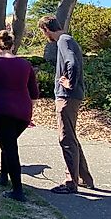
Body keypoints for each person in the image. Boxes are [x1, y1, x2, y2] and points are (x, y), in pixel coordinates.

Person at [38, 15, 95, 194]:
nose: (44, 35)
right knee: (71, 137)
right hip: (71, 97)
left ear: (46, 29)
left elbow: (72, 62)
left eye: (42, 31)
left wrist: (70, 82)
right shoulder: (67, 39)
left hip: (67, 97)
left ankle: (71, 182)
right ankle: (85, 178)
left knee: (66, 139)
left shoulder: (64, 40)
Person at [0, 29, 39, 202]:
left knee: (10, 147)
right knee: (8, 143)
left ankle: (18, 190)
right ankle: (3, 175)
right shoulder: (25, 65)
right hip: (23, 113)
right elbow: (34, 93)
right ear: (13, 46)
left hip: (3, 111)